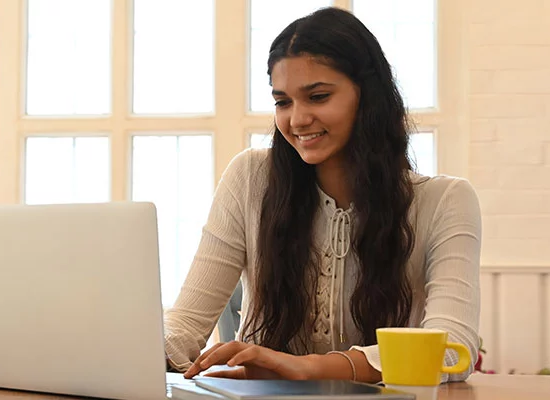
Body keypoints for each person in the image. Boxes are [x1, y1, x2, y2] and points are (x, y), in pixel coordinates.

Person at [164, 7, 481, 384]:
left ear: (368, 97)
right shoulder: (249, 178)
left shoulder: (446, 201)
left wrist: (306, 367)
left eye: (317, 96)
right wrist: (129, 349)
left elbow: (451, 348)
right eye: (283, 102)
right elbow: (185, 324)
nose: (296, 119)